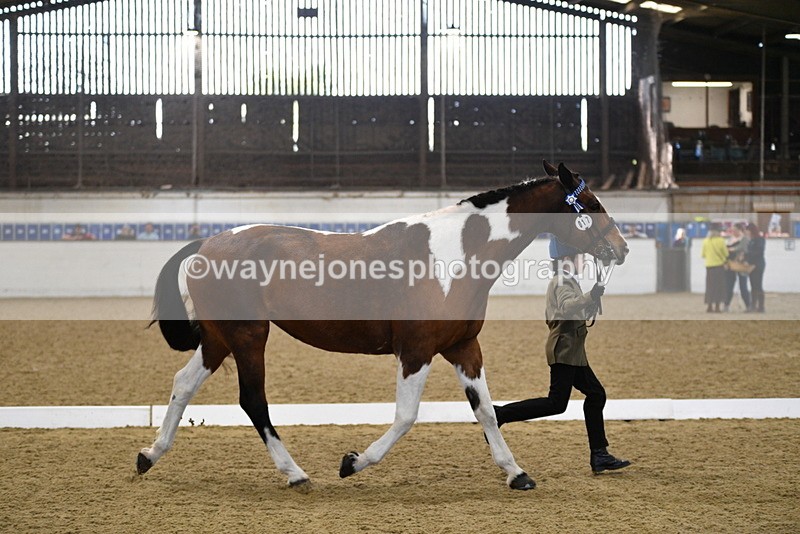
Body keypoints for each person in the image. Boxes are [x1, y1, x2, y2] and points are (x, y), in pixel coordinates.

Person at [493, 236, 631, 474]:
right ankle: (500, 414)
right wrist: (590, 295)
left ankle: (600, 454)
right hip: (565, 350)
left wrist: (592, 298)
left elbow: (575, 310)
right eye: (581, 258)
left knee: (596, 395)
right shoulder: (561, 282)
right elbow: (567, 308)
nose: (585, 262)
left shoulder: (569, 280)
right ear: (568, 259)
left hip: (574, 351)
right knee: (556, 403)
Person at [701, 222, 728, 313]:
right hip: (719, 266)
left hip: (709, 266)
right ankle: (717, 307)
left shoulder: (705, 241)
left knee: (710, 287)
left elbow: (703, 254)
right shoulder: (721, 241)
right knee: (718, 287)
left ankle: (709, 306)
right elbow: (726, 254)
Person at [723, 222, 750, 312]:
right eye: (732, 230)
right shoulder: (730, 239)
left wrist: (731, 250)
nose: (733, 232)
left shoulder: (745, 239)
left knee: (743, 286)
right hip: (731, 264)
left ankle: (748, 305)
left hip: (741, 264)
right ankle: (726, 305)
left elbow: (743, 249)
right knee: (729, 285)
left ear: (740, 230)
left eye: (735, 230)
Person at [745, 222, 766, 313]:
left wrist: (748, 255)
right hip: (751, 265)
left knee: (758, 285)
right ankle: (753, 305)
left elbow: (758, 252)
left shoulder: (759, 240)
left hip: (758, 265)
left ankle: (760, 306)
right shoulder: (751, 240)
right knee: (753, 285)